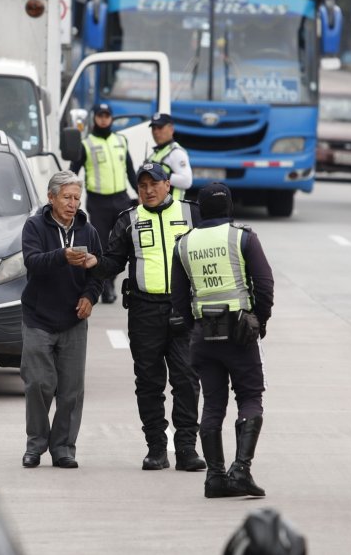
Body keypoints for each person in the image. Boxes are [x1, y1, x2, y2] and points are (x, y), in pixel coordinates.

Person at [87, 162, 205, 471]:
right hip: (144, 311)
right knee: (149, 383)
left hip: (183, 310)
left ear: (168, 184)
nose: (148, 190)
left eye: (154, 184)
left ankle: (187, 449)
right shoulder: (128, 219)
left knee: (186, 380)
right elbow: (113, 262)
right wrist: (93, 263)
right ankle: (156, 448)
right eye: (142, 186)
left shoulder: (192, 213)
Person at [171, 182, 275, 498]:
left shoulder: (184, 244)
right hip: (240, 332)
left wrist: (196, 325)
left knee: (213, 404)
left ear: (201, 209)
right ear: (228, 206)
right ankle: (241, 469)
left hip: (204, 334)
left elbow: (179, 298)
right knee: (250, 396)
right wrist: (260, 321)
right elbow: (265, 285)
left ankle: (215, 477)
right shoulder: (242, 237)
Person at [19, 170, 103, 470]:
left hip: (73, 319)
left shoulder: (88, 231)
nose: (72, 204)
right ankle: (35, 445)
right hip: (38, 318)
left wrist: (90, 297)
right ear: (51, 197)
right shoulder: (34, 226)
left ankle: (64, 448)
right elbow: (32, 262)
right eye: (67, 197)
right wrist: (62, 256)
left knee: (71, 391)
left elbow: (98, 272)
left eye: (77, 198)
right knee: (38, 384)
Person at [69, 103, 139, 304]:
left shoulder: (121, 140)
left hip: (121, 199)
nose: (103, 119)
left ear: (111, 118)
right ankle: (103, 286)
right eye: (100, 115)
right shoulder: (86, 144)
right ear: (94, 118)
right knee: (101, 245)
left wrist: (140, 192)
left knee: (121, 244)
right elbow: (73, 172)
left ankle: (110, 282)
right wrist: (71, 195)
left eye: (107, 115)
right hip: (98, 201)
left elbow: (130, 171)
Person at [145, 113, 193, 200]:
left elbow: (187, 181)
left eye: (160, 127)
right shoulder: (155, 153)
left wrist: (160, 175)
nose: (156, 132)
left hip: (173, 206)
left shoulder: (176, 152)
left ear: (171, 129)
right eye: (153, 128)